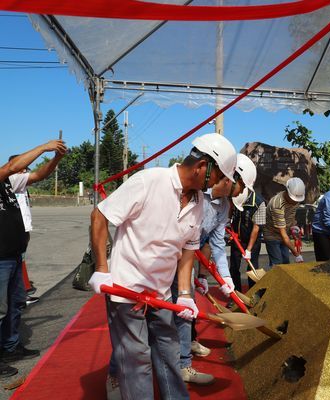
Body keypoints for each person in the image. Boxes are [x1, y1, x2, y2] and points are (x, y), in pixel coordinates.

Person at [89, 133, 237, 400]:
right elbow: (100, 215)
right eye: (218, 176)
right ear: (203, 166)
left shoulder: (199, 203)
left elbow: (189, 250)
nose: (218, 183)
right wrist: (101, 267)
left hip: (161, 294)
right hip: (126, 291)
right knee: (137, 362)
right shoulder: (149, 182)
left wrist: (184, 294)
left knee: (169, 354)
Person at [172, 153, 256, 386]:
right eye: (242, 186)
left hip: (186, 262)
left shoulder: (223, 207)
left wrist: (226, 280)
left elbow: (216, 243)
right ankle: (119, 372)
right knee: (154, 315)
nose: (241, 193)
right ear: (231, 177)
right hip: (168, 258)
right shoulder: (197, 192)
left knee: (184, 311)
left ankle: (183, 360)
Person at [0, 140, 66, 377]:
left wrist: (57, 158)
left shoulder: (8, 184)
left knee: (15, 303)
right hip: (1, 258)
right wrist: (42, 148)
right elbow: (9, 168)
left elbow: (38, 174)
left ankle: (9, 346)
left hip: (13, 255)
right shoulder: (3, 175)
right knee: (0, 308)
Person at [8, 152, 65, 305]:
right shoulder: (11, 181)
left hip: (23, 230)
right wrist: (47, 149)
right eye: (21, 167)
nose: (25, 170)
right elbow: (39, 175)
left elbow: (38, 175)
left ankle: (21, 293)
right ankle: (20, 294)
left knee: (19, 262)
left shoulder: (21, 184)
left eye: (25, 168)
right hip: (14, 232)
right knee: (14, 264)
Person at [230, 179, 265, 292]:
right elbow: (231, 212)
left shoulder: (259, 203)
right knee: (234, 267)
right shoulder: (235, 196)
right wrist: (230, 227)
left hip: (253, 241)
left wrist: (249, 250)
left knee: (252, 267)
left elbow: (256, 228)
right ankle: (236, 292)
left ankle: (253, 292)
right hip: (237, 238)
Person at [264, 177, 305, 265]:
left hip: (285, 234)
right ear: (287, 191)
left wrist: (294, 226)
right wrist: (296, 254)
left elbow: (291, 215)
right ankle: (275, 279)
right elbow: (283, 235)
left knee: (286, 261)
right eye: (294, 199)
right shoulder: (277, 204)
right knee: (277, 263)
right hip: (272, 235)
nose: (295, 202)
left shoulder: (295, 200)